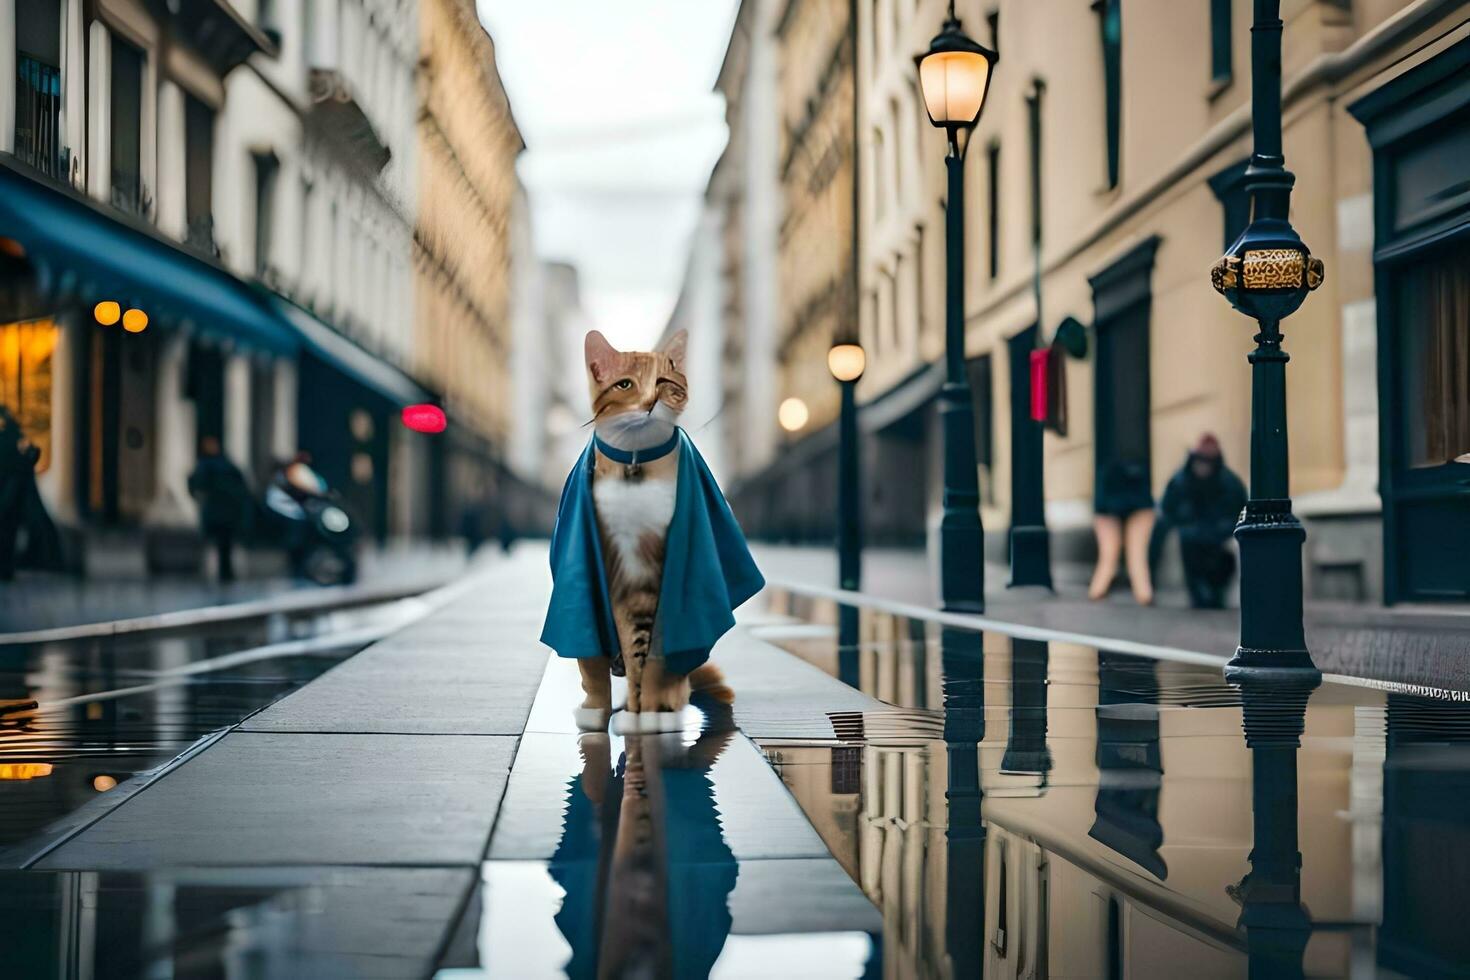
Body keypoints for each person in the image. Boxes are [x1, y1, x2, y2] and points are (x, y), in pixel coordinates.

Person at [1157, 433, 1247, 609]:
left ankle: (1216, 591)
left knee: (1220, 563)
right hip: (1191, 536)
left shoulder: (1230, 483)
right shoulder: (1179, 482)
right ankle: (1198, 593)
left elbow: (1242, 510)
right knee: (1190, 550)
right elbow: (1167, 510)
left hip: (1219, 537)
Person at [1090, 457, 1156, 605]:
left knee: (1121, 554)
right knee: (1127, 554)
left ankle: (1100, 589)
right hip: (1119, 503)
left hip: (1118, 503)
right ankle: (1142, 593)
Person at [188, 437, 252, 582]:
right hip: (226, 513)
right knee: (224, 546)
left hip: (218, 512)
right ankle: (225, 574)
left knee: (219, 545)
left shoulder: (209, 465)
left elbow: (194, 483)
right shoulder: (228, 466)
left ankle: (221, 574)